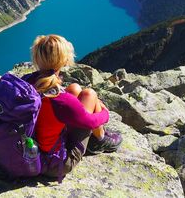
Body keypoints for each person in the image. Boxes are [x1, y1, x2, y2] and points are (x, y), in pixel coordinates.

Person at [23, 34, 122, 178]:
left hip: (31, 150)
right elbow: (91, 121)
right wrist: (105, 112)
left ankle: (97, 136)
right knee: (89, 94)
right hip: (54, 163)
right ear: (63, 60)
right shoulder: (58, 99)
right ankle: (100, 141)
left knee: (75, 89)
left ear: (37, 58)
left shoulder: (27, 83)